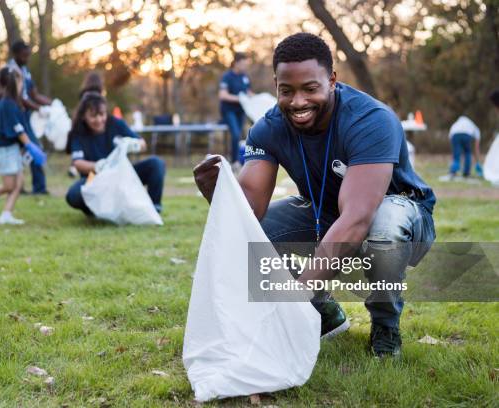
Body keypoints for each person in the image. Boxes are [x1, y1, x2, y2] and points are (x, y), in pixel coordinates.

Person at [194, 33, 436, 358]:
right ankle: (324, 314)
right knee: (250, 239)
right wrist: (217, 192)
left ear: (332, 80)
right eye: (287, 90)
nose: (298, 102)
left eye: (310, 88)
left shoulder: (370, 120)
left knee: (384, 228)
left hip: (399, 214)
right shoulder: (268, 128)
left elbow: (357, 219)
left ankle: (385, 326)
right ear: (276, 84)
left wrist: (296, 294)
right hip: (327, 212)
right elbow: (248, 214)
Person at [65, 92, 165, 215]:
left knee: (156, 163)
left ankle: (154, 207)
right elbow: (78, 163)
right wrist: (99, 166)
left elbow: (142, 143)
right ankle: (92, 209)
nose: (99, 120)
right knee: (73, 195)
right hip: (95, 178)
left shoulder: (116, 124)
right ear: (84, 116)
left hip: (121, 175)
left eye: (102, 115)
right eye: (93, 116)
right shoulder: (78, 133)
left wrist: (131, 144)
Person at [0, 67, 46, 225]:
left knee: (18, 183)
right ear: (14, 83)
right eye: (21, 82)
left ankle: (6, 214)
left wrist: (28, 148)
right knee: (9, 185)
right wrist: (32, 147)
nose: (22, 86)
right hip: (4, 150)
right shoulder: (7, 104)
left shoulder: (14, 104)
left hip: (12, 149)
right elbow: (18, 130)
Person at [7, 40, 51, 195]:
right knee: (33, 148)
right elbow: (20, 98)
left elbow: (34, 94)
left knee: (22, 151)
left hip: (25, 116)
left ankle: (19, 187)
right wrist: (39, 108)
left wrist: (53, 104)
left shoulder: (25, 71)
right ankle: (38, 187)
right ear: (16, 54)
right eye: (24, 55)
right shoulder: (11, 71)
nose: (26, 58)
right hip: (15, 116)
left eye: (28, 55)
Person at [219, 52, 253, 167]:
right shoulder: (227, 77)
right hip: (229, 111)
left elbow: (248, 93)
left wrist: (258, 98)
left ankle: (241, 161)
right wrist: (239, 98)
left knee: (244, 135)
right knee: (235, 134)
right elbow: (223, 95)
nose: (245, 67)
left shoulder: (245, 77)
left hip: (241, 111)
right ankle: (235, 162)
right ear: (236, 63)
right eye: (243, 64)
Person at [442, 115, 483, 180]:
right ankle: (466, 173)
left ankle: (453, 172)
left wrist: (454, 153)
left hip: (455, 135)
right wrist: (478, 161)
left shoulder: (455, 125)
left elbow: (451, 139)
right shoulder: (474, 127)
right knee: (467, 153)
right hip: (466, 135)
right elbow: (476, 147)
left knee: (456, 155)